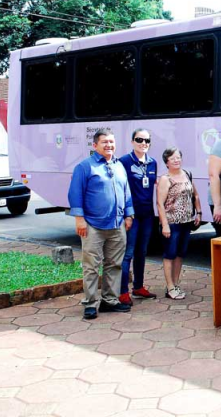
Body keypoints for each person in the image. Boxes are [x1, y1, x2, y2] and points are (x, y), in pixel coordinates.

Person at [68, 129, 134, 320]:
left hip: (117, 224)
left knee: (114, 264)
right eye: (104, 142)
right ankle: (90, 304)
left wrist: (129, 214)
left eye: (111, 142)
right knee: (91, 266)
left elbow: (126, 191)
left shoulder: (119, 165)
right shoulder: (84, 167)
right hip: (92, 225)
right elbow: (75, 194)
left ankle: (109, 301)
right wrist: (79, 219)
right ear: (95, 145)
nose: (109, 145)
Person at [117, 129, 158, 306]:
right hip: (131, 215)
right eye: (139, 140)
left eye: (147, 140)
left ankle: (138, 287)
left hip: (147, 214)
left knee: (142, 251)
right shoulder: (124, 161)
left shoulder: (152, 162)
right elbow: (121, 189)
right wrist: (127, 214)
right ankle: (122, 292)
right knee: (128, 253)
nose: (143, 143)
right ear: (132, 141)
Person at [157, 147, 201, 300]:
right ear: (167, 162)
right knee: (170, 254)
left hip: (186, 222)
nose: (176, 160)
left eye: (178, 157)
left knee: (180, 254)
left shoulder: (187, 174)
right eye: (172, 158)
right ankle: (170, 287)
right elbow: (160, 203)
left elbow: (195, 195)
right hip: (172, 223)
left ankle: (175, 284)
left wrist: (199, 212)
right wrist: (164, 225)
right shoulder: (165, 179)